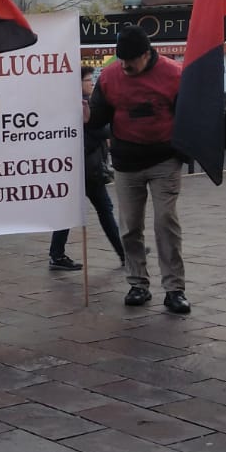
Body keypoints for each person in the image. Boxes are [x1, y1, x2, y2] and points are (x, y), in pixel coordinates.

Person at [87, 26, 189, 314]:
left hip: (163, 160)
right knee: (130, 226)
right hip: (126, 162)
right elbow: (97, 117)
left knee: (165, 221)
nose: (125, 66)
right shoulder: (109, 76)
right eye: (121, 60)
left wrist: (182, 153)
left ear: (147, 54)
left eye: (130, 61)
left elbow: (187, 117)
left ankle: (174, 289)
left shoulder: (173, 74)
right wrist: (86, 116)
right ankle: (138, 284)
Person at [48, 64, 123, 272]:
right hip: (86, 171)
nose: (92, 83)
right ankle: (124, 253)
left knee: (75, 212)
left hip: (87, 170)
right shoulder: (79, 108)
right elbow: (102, 131)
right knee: (103, 211)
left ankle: (56, 254)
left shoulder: (86, 105)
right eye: (88, 80)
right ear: (77, 84)